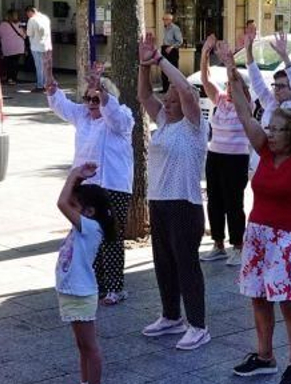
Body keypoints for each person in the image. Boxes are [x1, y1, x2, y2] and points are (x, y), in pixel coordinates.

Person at [216, 40, 291, 384]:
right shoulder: (263, 148)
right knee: (258, 296)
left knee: (289, 303)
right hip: (258, 234)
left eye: (276, 130)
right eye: (269, 129)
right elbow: (244, 111)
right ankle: (264, 356)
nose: (269, 133)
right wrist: (231, 66)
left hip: (289, 239)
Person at [136, 32, 210, 350]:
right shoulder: (165, 121)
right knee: (163, 262)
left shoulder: (194, 126)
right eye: (166, 98)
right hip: (159, 201)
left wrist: (161, 60)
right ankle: (171, 316)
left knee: (186, 264)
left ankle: (198, 325)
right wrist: (143, 65)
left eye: (172, 98)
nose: (167, 100)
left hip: (185, 203)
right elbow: (143, 95)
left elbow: (187, 90)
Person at [45, 54, 133, 305]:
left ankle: (116, 287)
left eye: (96, 98)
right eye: (88, 98)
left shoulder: (121, 116)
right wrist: (50, 80)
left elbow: (115, 116)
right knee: (86, 235)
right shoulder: (82, 115)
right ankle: (95, 282)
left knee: (111, 236)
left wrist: (102, 90)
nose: (91, 103)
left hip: (113, 185)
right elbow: (60, 104)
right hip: (86, 186)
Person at [52, 164, 112, 384]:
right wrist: (77, 181)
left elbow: (61, 203)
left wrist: (73, 175)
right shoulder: (85, 224)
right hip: (72, 292)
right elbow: (68, 201)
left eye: (77, 206)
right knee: (82, 346)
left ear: (89, 211)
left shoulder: (91, 228)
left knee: (91, 347)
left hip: (81, 294)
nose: (71, 209)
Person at [197, 36, 250, 267]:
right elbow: (206, 79)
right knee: (215, 201)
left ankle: (238, 246)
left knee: (233, 202)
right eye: (227, 85)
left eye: (232, 85)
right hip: (216, 156)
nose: (228, 88)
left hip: (236, 159)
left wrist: (230, 64)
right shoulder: (219, 100)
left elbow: (236, 81)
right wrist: (205, 54)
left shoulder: (245, 104)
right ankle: (218, 244)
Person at [247, 25, 291, 125]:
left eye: (281, 86)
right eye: (275, 85)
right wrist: (248, 50)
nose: (276, 89)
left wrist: (284, 56)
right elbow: (257, 82)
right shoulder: (271, 102)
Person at [0, 10, 27, 86]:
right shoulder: (20, 24)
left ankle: (10, 78)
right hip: (19, 47)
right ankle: (14, 78)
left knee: (9, 64)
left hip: (8, 48)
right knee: (15, 63)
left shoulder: (3, 24)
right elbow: (25, 35)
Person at [26, 5, 52, 93]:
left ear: (31, 12)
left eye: (28, 14)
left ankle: (40, 85)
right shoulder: (46, 18)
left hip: (36, 46)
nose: (28, 16)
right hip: (47, 46)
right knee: (46, 67)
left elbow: (29, 34)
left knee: (39, 67)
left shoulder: (32, 20)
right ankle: (46, 84)